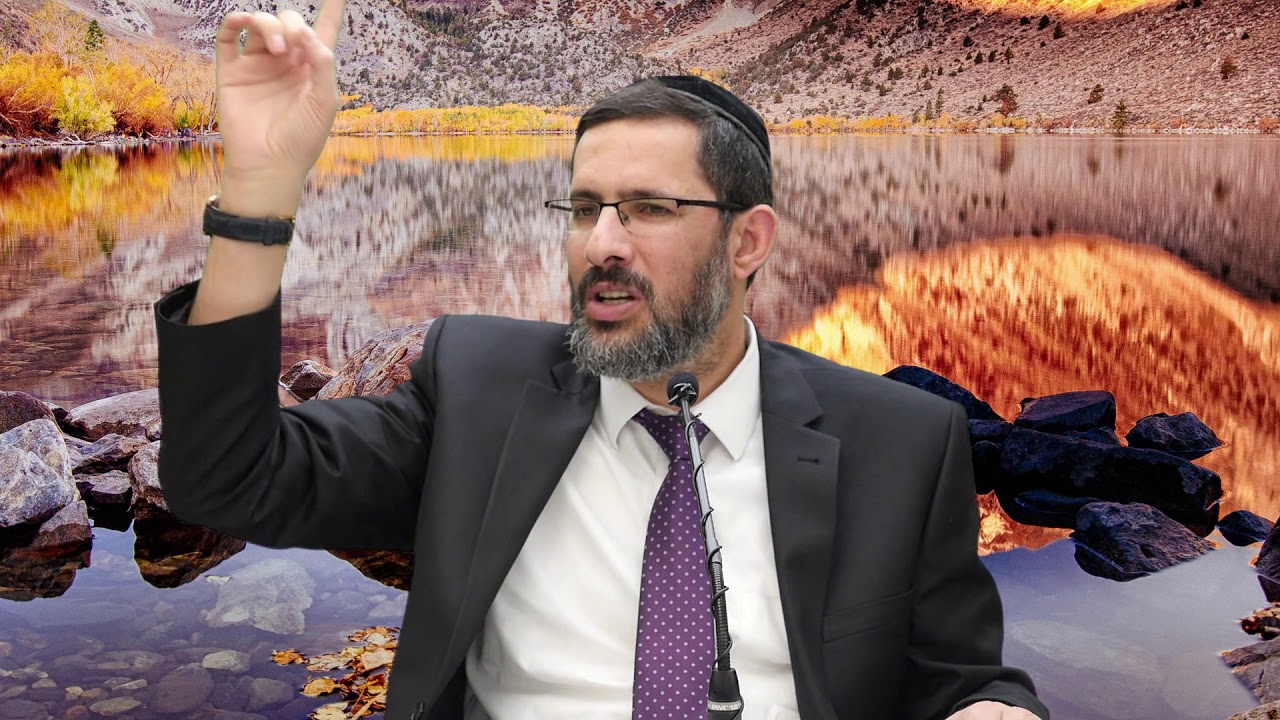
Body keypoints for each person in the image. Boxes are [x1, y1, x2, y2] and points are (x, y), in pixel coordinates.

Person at [151, 0, 1051, 718]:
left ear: (748, 241)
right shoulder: (475, 389)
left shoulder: (900, 441)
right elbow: (226, 480)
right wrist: (259, 192)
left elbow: (958, 678)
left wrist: (991, 708)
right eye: (584, 209)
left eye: (649, 208)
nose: (602, 244)